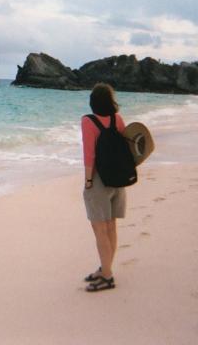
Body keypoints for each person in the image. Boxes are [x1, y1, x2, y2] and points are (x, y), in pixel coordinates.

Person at [81, 82, 126, 292]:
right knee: (111, 227)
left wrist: (88, 181)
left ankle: (107, 276)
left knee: (99, 229)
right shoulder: (118, 119)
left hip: (99, 181)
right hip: (119, 180)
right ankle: (106, 268)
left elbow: (89, 155)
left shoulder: (88, 121)